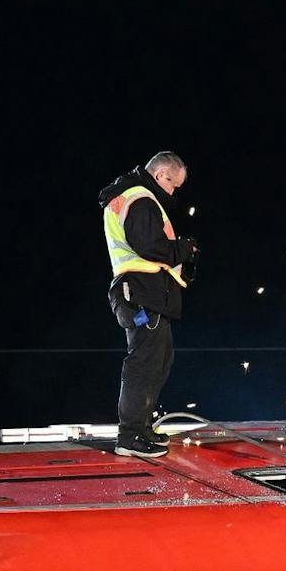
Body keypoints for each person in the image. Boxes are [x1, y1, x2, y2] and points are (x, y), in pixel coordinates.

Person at [98, 151, 196, 458]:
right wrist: (183, 248)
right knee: (144, 363)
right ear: (161, 174)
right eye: (173, 184)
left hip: (148, 292)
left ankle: (140, 427)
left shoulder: (137, 197)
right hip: (140, 291)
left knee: (159, 359)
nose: (173, 192)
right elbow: (149, 246)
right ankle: (129, 436)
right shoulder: (139, 198)